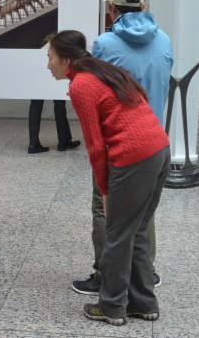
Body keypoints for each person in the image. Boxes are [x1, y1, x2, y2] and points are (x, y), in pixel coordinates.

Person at [47, 29, 170, 326]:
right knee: (137, 231)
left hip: (134, 159)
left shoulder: (82, 85)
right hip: (158, 149)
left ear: (66, 60)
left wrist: (104, 189)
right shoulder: (106, 72)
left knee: (117, 235)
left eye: (50, 58)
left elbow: (96, 146)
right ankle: (143, 303)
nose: (48, 64)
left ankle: (112, 306)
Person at [73, 0, 173, 296]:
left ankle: (106, 275)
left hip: (118, 140)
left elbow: (95, 91)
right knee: (144, 210)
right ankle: (145, 272)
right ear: (143, 6)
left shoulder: (104, 43)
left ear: (112, 9)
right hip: (154, 137)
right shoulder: (165, 40)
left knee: (106, 207)